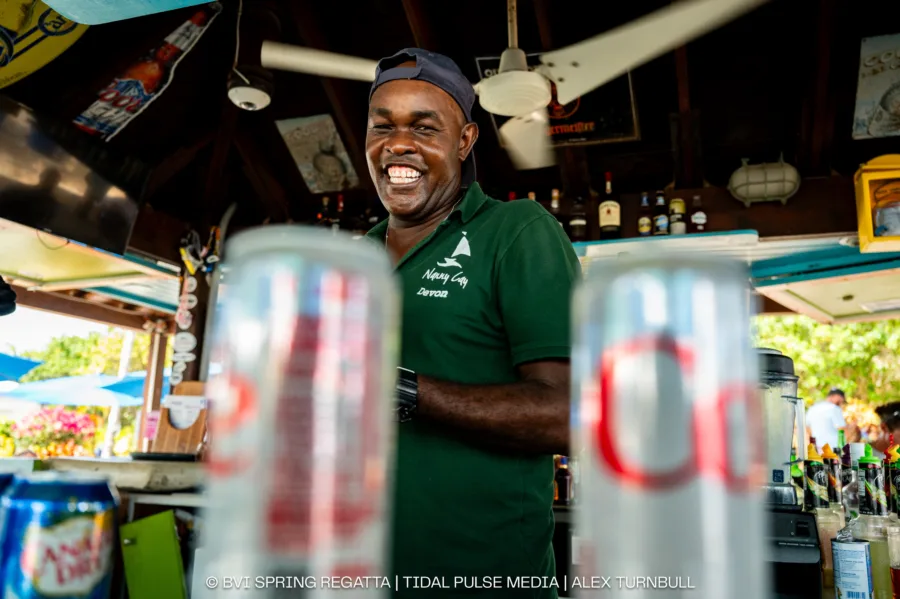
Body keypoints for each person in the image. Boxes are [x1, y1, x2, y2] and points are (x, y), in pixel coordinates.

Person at [365, 49, 579, 598]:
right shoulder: (353, 260)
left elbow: (569, 416)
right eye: (382, 125)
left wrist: (402, 388)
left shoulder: (515, 231)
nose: (397, 144)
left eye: (423, 126)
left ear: (464, 142)